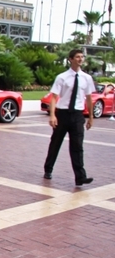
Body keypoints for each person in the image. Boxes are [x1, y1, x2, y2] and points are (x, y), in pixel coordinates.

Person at [43, 49, 95, 186]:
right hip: (63, 114)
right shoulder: (62, 77)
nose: (80, 59)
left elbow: (89, 98)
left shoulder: (87, 78)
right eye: (77, 57)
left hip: (78, 115)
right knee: (56, 143)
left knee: (77, 146)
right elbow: (54, 97)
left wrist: (90, 116)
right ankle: (48, 169)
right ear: (70, 59)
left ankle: (80, 177)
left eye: (82, 57)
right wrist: (53, 115)